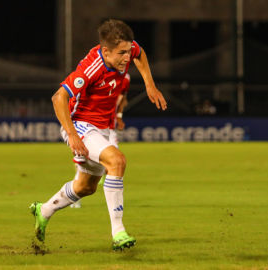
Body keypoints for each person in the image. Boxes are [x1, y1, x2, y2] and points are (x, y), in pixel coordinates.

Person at [29, 19, 167, 251]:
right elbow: (58, 98)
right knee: (117, 160)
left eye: (127, 51)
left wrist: (149, 84)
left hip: (101, 127)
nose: (127, 57)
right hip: (79, 124)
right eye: (122, 53)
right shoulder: (92, 68)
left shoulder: (127, 49)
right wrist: (72, 135)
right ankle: (118, 233)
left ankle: (43, 210)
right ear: (105, 51)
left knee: (86, 187)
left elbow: (139, 52)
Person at [70, 73, 131, 209]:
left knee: (111, 162)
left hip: (109, 127)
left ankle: (115, 213)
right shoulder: (95, 71)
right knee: (102, 163)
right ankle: (74, 197)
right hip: (91, 127)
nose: (125, 58)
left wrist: (119, 116)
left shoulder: (125, 78)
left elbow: (122, 99)